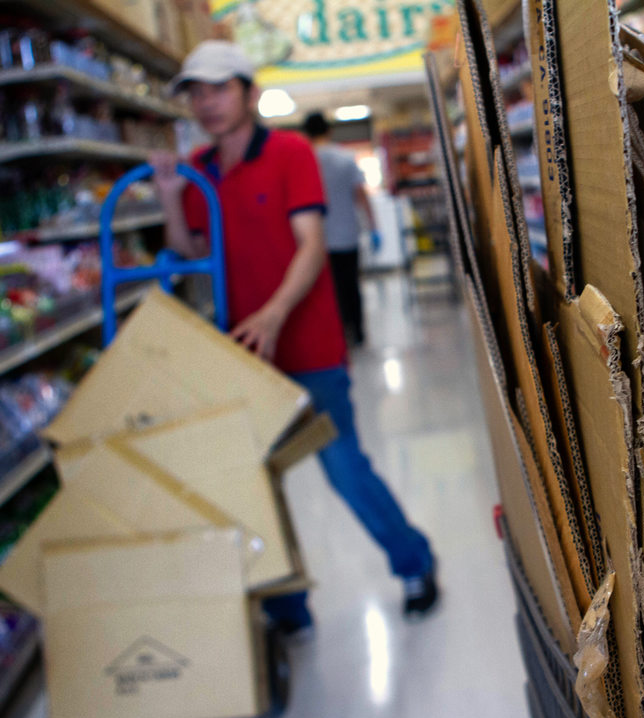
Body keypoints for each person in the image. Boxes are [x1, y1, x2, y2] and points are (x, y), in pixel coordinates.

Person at [153, 40, 439, 630]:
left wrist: (276, 313)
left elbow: (311, 245)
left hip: (308, 349)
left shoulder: (289, 154)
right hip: (240, 357)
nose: (206, 103)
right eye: (195, 93)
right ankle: (287, 605)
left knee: (343, 470)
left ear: (249, 94)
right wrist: (166, 197)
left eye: (218, 89)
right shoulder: (198, 171)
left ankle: (414, 563)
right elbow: (189, 251)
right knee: (252, 482)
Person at [302, 111, 375, 347]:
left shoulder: (305, 160)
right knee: (351, 286)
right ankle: (359, 332)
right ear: (329, 130)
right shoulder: (345, 158)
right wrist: (373, 227)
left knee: (327, 291)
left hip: (316, 240)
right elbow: (361, 195)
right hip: (347, 235)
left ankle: (337, 333)